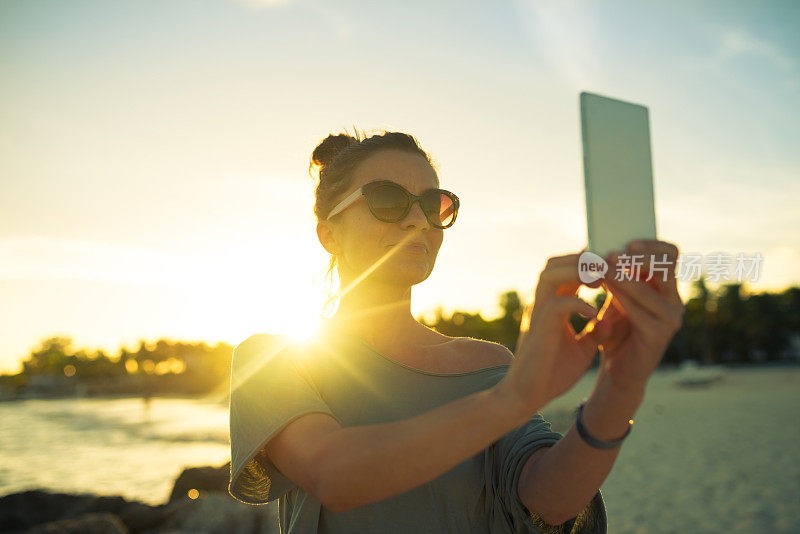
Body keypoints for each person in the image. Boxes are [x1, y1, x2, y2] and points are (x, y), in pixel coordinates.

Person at [227, 129, 684, 533]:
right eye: (387, 200)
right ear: (329, 234)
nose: (418, 220)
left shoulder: (485, 364)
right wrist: (512, 399)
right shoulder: (272, 359)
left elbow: (549, 501)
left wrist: (621, 384)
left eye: (433, 204)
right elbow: (334, 474)